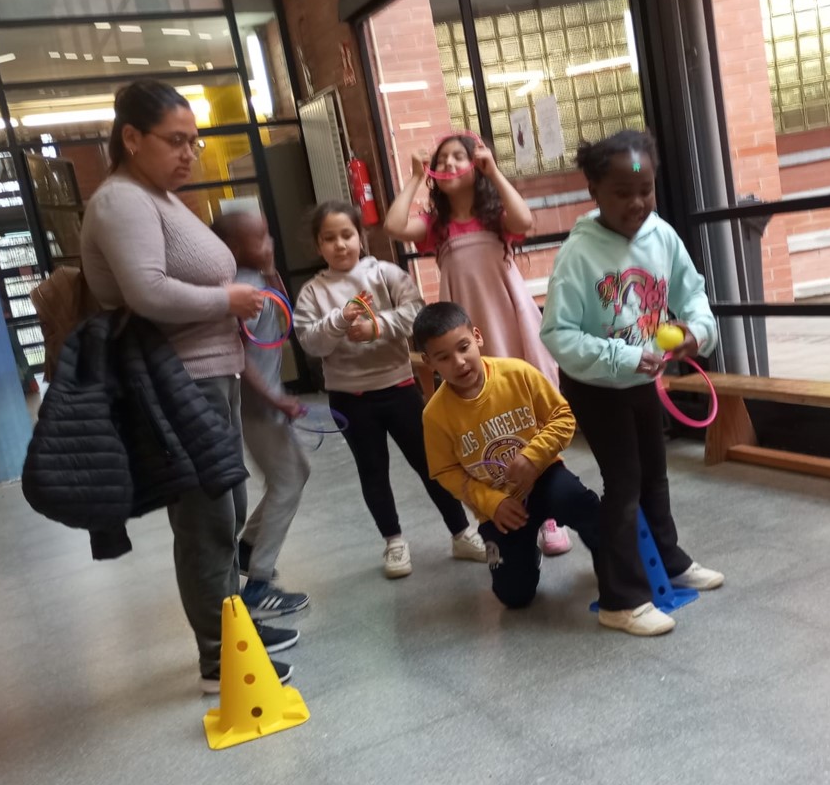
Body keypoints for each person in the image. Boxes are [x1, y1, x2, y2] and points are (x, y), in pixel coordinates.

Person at [80, 80, 298, 693]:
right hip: (177, 381)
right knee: (206, 519)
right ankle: (220, 658)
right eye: (175, 141)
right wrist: (228, 299)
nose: (189, 153)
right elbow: (147, 291)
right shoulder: (122, 202)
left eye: (194, 142)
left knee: (224, 509)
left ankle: (234, 629)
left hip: (208, 373)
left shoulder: (159, 198)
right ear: (131, 138)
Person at [539, 129, 725, 623]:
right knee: (623, 485)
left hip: (643, 381)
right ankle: (620, 599)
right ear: (594, 191)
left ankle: (669, 560)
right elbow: (557, 334)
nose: (637, 202)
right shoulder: (578, 254)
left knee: (654, 478)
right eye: (623, 192)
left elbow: (692, 294)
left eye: (646, 189)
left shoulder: (662, 236)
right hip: (596, 388)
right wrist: (622, 357)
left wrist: (696, 332)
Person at [415, 302, 675, 634]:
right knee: (514, 596)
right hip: (501, 507)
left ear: (477, 337)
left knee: (587, 511)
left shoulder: (517, 373)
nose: (459, 362)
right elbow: (445, 472)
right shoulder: (435, 415)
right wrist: (491, 503)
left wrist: (534, 456)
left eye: (463, 347)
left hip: (545, 476)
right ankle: (527, 550)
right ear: (429, 362)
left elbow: (563, 417)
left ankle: (619, 580)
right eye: (443, 357)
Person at [383, 133, 572, 557]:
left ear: (475, 165)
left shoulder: (493, 216)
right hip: (463, 333)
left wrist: (495, 171)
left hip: (507, 319)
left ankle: (549, 516)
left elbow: (524, 221)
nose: (449, 164)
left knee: (525, 412)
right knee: (485, 426)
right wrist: (413, 177)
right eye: (441, 160)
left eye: (459, 157)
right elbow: (394, 226)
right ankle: (498, 513)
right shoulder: (436, 227)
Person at [293, 201, 486, 578]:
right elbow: (310, 342)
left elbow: (416, 312)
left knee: (430, 464)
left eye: (347, 235)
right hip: (349, 398)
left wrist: (377, 326)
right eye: (329, 239)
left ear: (361, 237)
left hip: (398, 388)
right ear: (318, 246)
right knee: (372, 472)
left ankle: (461, 532)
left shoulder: (385, 273)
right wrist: (339, 320)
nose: (340, 244)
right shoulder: (313, 292)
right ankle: (393, 541)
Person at [211, 212, 312, 620]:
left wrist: (270, 267)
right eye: (260, 238)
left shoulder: (256, 279)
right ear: (236, 248)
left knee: (296, 473)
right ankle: (258, 583)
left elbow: (283, 307)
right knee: (288, 482)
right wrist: (275, 398)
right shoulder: (243, 289)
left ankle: (249, 547)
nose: (269, 242)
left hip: (266, 401)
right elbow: (239, 357)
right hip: (256, 406)